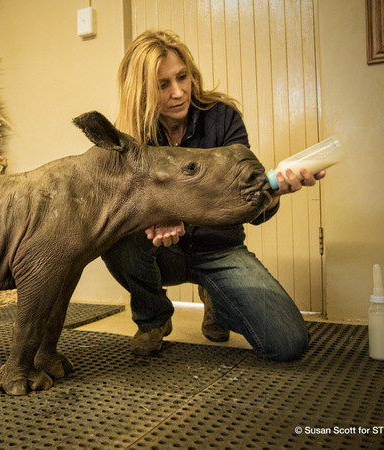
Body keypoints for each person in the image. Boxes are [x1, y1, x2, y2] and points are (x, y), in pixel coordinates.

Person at [101, 30, 325, 361]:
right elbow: (114, 205)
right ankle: (153, 319)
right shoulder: (128, 140)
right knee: (112, 238)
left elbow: (247, 201)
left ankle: (218, 301)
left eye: (183, 77)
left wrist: (274, 191)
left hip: (219, 249)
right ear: (142, 91)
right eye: (163, 85)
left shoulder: (223, 118)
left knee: (287, 343)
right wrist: (157, 213)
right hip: (159, 252)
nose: (178, 92)